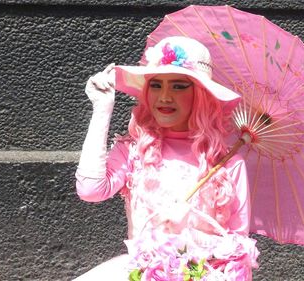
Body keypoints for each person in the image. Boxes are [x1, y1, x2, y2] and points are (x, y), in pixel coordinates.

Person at [74, 36, 259, 280]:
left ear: (201, 94)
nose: (164, 96)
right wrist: (101, 110)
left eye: (179, 86)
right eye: (156, 85)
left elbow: (237, 246)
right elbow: (90, 190)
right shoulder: (134, 151)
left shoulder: (228, 164)